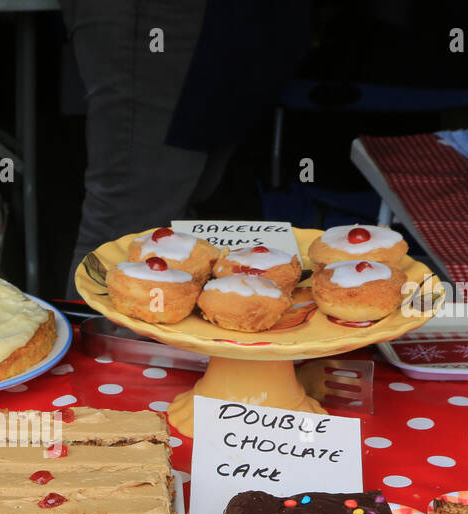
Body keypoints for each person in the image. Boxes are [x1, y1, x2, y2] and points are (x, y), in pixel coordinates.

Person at [62, 0, 312, 296]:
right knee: (127, 226)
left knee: (184, 217)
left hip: (233, 18)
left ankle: (148, 335)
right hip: (161, 14)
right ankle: (99, 341)